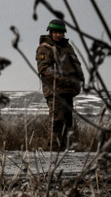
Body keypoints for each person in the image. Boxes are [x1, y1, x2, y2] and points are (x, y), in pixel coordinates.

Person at [36, 19, 84, 150]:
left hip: (68, 89)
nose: (58, 35)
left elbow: (76, 65)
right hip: (54, 89)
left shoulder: (67, 48)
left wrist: (79, 80)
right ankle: (54, 148)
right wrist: (60, 80)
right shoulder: (45, 48)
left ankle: (65, 149)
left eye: (60, 32)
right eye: (55, 32)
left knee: (68, 121)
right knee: (57, 120)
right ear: (51, 32)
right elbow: (43, 69)